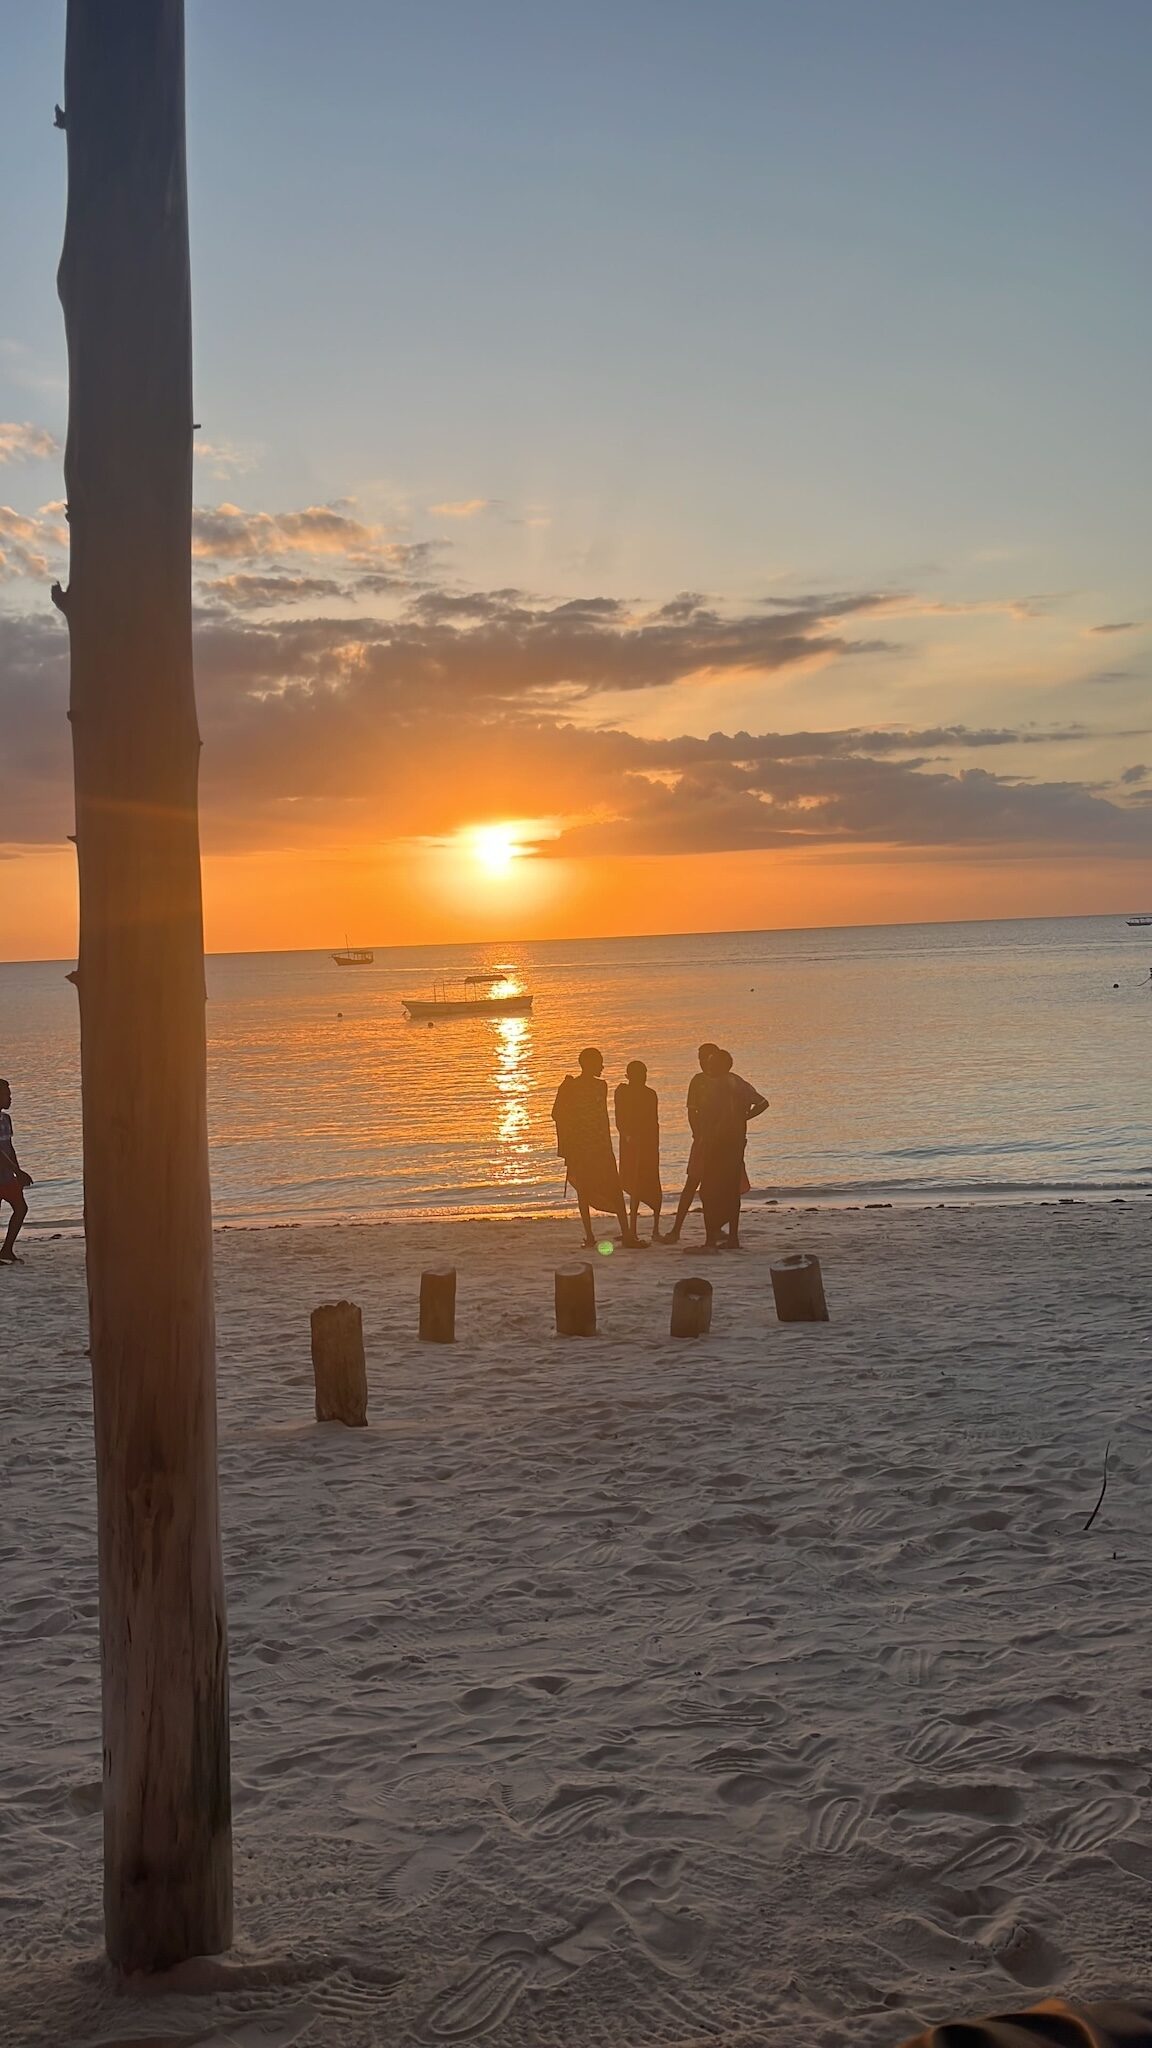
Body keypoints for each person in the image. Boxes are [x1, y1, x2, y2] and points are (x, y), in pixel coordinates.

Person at [665, 1043, 767, 1245]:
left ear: (718, 1063)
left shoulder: (718, 1085)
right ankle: (729, 1236)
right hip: (731, 1142)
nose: (705, 1064)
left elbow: (713, 1115)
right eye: (702, 1059)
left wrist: (739, 1120)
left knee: (710, 1190)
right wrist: (742, 1119)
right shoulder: (734, 1082)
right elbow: (762, 1102)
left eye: (709, 1060)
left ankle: (713, 1238)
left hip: (715, 1143)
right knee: (724, 1188)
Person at [551, 1049, 643, 1249]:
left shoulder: (588, 1086)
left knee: (592, 1191)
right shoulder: (596, 1086)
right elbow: (560, 1113)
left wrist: (566, 1087)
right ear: (588, 1064)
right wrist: (567, 1087)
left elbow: (559, 1113)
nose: (602, 1067)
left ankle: (594, 1236)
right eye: (599, 1063)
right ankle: (621, 1234)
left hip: (589, 1147)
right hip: (593, 1147)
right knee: (606, 1190)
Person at [614, 1060, 663, 1243]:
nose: (642, 1078)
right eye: (638, 1075)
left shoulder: (650, 1094)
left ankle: (655, 1229)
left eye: (644, 1074)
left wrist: (651, 1146)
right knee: (633, 1186)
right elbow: (620, 1120)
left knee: (652, 1185)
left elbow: (654, 1121)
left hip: (648, 1144)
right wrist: (628, 1137)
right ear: (630, 1076)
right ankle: (631, 1229)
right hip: (630, 1145)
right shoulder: (622, 1093)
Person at [0, 1079, 33, 1265]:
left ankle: (6, 1249)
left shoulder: (6, 1120)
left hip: (7, 1177)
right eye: (6, 1095)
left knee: (21, 1208)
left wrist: (17, 1173)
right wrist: (17, 1171)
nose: (10, 1098)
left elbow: (9, 1148)